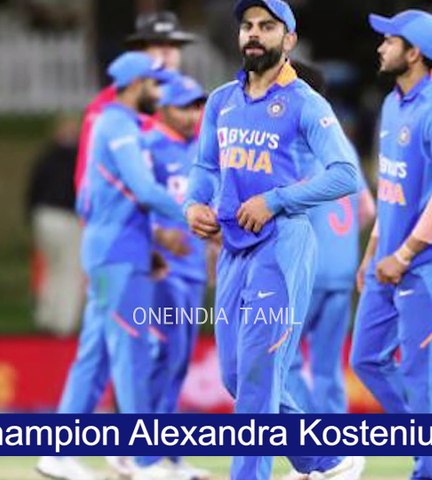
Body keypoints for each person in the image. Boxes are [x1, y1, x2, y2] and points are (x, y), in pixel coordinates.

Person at [184, 1, 363, 479]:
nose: (254, 34)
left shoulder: (306, 102)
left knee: (258, 378)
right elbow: (205, 167)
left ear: (289, 40)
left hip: (281, 247)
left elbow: (345, 174)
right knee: (235, 377)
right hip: (233, 249)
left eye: (267, 26)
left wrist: (276, 200)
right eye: (247, 26)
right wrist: (194, 205)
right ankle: (326, 460)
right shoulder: (222, 101)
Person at [36, 52, 184, 480]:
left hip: (112, 252)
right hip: (119, 255)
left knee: (96, 353)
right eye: (154, 84)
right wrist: (195, 214)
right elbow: (145, 190)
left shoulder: (111, 126)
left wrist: (138, 242)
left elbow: (88, 198)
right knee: (131, 351)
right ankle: (143, 459)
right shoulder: (119, 126)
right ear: (136, 84)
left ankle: (58, 454)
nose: (159, 92)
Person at [349, 9, 432, 480]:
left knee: (423, 370)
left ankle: (431, 469)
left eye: (389, 41)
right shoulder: (392, 103)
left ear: (413, 53)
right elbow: (391, 189)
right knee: (365, 359)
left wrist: (404, 254)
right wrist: (373, 251)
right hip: (390, 258)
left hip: (429, 258)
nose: (380, 47)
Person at [283, 61, 377, 416]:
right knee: (327, 368)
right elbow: (367, 209)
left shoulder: (294, 143)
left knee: (284, 361)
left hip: (305, 271)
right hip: (341, 272)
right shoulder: (342, 145)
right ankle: (333, 439)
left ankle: (308, 437)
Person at [142, 73, 211, 480]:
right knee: (160, 359)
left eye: (196, 106)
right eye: (184, 107)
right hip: (160, 270)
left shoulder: (199, 149)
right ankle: (145, 455)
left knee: (178, 362)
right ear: (163, 108)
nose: (192, 115)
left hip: (192, 271)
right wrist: (156, 236)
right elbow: (129, 201)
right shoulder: (148, 146)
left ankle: (167, 457)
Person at [74, 11, 196, 192]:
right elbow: (87, 173)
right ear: (138, 52)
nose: (167, 51)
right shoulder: (106, 105)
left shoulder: (193, 98)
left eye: (174, 44)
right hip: (130, 205)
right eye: (157, 43)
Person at [26, 115, 84, 337]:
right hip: (68, 217)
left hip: (43, 216)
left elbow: (33, 190)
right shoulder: (80, 158)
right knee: (70, 269)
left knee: (51, 268)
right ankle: (64, 323)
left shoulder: (46, 157)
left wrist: (31, 218)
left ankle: (47, 317)